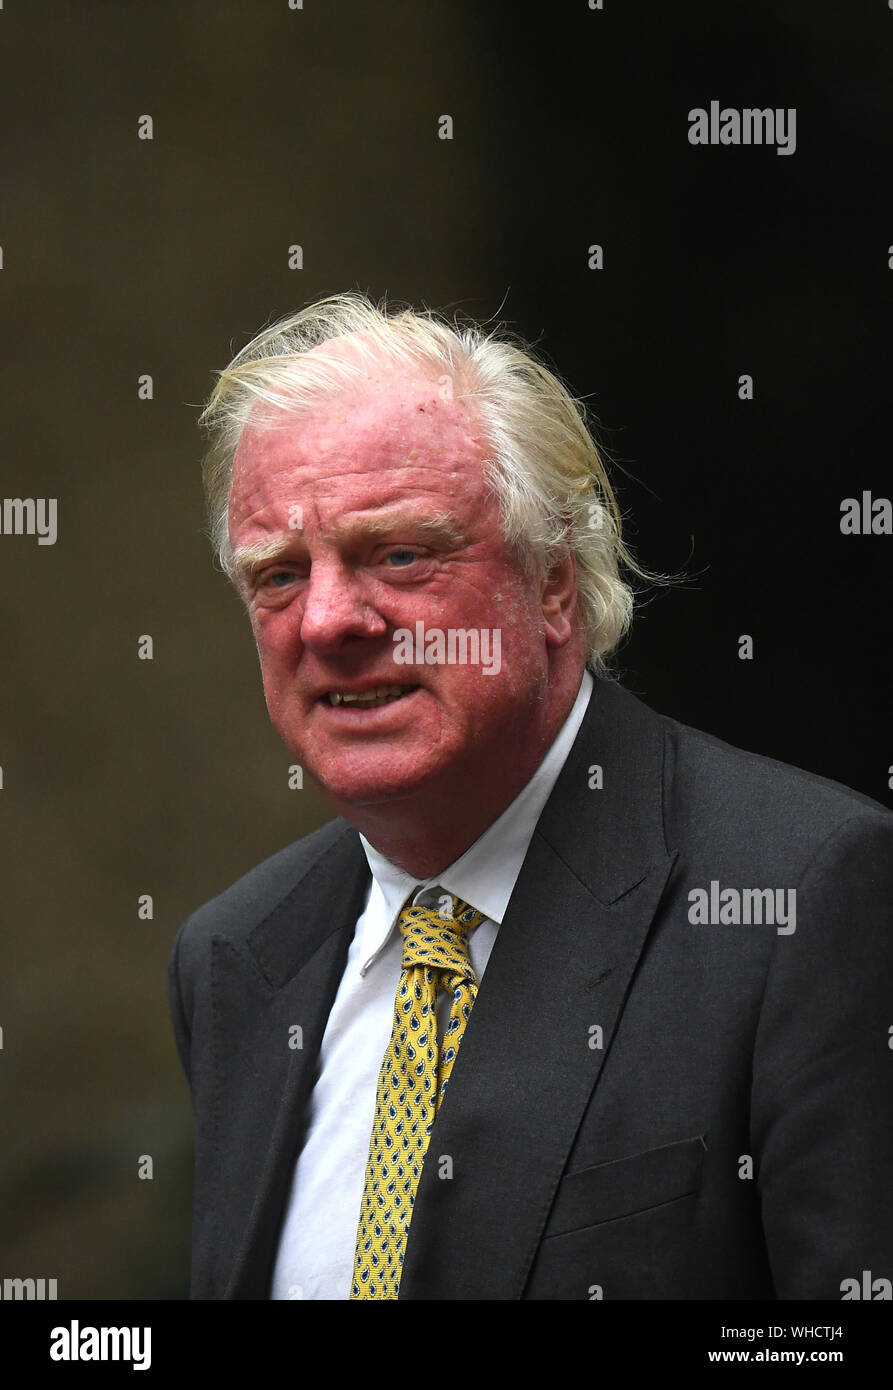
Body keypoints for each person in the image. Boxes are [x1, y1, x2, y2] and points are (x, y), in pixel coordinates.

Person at [168, 291, 893, 1301]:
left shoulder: (801, 896)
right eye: (279, 575)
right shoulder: (235, 957)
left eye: (400, 553)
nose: (327, 619)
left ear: (551, 584)